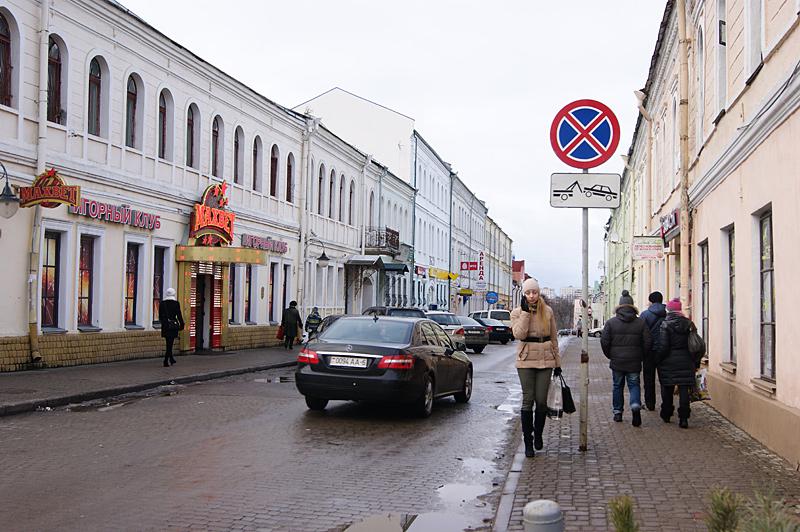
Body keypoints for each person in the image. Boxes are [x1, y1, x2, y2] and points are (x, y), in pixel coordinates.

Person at [510, 277, 561, 458]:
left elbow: (554, 338)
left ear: (539, 293)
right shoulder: (517, 312)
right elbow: (519, 334)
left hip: (546, 360)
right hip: (525, 360)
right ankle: (528, 441)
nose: (532, 296)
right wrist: (525, 313)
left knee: (541, 401)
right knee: (527, 400)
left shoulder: (547, 311)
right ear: (524, 294)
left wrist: (558, 363)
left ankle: (538, 433)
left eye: (534, 292)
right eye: (528, 293)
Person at [600, 290, 651, 426]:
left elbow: (604, 342)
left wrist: (610, 355)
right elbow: (648, 342)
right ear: (632, 306)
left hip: (617, 361)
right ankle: (635, 405)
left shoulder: (611, 323)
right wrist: (641, 356)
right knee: (634, 385)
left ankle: (617, 412)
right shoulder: (640, 323)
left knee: (617, 386)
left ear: (620, 306)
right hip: (634, 361)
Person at [655, 298, 701, 428]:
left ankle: (667, 413)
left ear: (669, 310)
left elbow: (663, 347)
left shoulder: (665, 325)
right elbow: (695, 344)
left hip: (668, 362)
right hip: (686, 361)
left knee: (667, 389)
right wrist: (695, 361)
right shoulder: (689, 324)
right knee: (684, 390)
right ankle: (684, 418)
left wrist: (658, 359)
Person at [639, 291, 667, 411]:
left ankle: (650, 403)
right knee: (665, 379)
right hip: (664, 350)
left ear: (650, 301)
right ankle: (666, 404)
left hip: (649, 351)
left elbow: (641, 333)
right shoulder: (667, 314)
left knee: (648, 378)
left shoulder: (645, 315)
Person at [158, 287, 184, 367]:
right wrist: (182, 324)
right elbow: (179, 315)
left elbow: (160, 316)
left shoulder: (162, 303)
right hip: (173, 326)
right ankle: (166, 360)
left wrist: (164, 323)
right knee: (170, 344)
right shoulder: (176, 303)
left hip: (165, 326)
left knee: (168, 343)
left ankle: (171, 358)